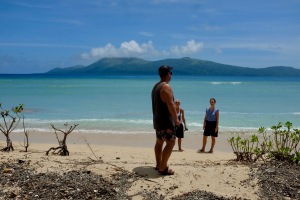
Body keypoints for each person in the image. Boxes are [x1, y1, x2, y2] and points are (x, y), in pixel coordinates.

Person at [151, 65, 181, 175]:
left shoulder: (156, 86)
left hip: (157, 120)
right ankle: (163, 168)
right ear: (168, 74)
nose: (171, 75)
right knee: (171, 142)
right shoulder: (166, 87)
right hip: (166, 122)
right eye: (171, 73)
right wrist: (176, 120)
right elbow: (170, 105)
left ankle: (159, 164)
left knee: (159, 142)